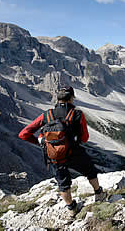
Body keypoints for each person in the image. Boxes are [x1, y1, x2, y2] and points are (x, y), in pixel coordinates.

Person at [19, 86, 106, 216]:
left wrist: (41, 142)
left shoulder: (47, 115)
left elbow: (23, 134)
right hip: (74, 153)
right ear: (71, 98)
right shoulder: (77, 114)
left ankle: (71, 209)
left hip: (55, 156)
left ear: (57, 98)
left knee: (63, 183)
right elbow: (85, 138)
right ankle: (99, 194)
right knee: (90, 170)